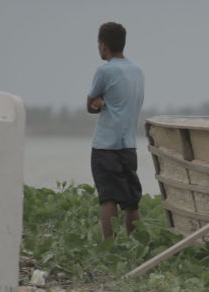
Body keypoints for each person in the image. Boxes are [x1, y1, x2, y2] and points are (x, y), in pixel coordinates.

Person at [87, 22, 144, 239]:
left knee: (108, 198)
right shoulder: (138, 70)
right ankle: (137, 246)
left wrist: (98, 102)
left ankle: (110, 248)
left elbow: (90, 104)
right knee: (131, 201)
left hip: (105, 146)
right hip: (128, 145)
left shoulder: (104, 70)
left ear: (103, 46)